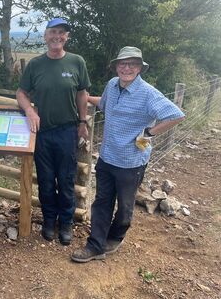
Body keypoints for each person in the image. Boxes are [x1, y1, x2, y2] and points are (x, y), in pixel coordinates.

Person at [71, 46, 185, 263]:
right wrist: (83, 98)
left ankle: (115, 236)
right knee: (102, 201)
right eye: (122, 64)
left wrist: (150, 132)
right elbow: (104, 104)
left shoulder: (148, 94)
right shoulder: (112, 85)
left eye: (132, 64)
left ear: (140, 68)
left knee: (125, 206)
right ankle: (95, 245)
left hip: (131, 161)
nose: (126, 68)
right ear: (116, 67)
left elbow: (176, 115)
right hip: (106, 156)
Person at [16, 18, 91, 245]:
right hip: (42, 132)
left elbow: (82, 94)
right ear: (45, 36)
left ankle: (65, 223)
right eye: (53, 32)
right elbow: (21, 92)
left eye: (62, 33)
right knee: (47, 181)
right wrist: (29, 110)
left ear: (66, 37)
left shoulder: (76, 62)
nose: (57, 36)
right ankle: (49, 220)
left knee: (66, 180)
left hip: (67, 131)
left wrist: (82, 122)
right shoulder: (36, 65)